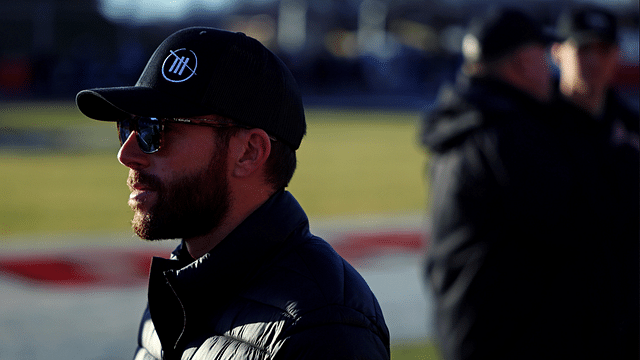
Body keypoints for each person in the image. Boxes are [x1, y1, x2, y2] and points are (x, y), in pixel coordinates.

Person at [76, 27, 390, 360]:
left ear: (249, 153)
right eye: (128, 126)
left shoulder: (324, 328)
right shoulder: (181, 286)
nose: (127, 154)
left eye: (155, 129)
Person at [420, 7, 638, 360]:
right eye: (542, 55)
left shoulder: (470, 121)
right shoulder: (508, 137)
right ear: (523, 62)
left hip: (473, 328)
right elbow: (582, 224)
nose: (547, 70)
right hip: (505, 336)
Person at [551, 5, 639, 147]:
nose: (594, 61)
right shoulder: (534, 124)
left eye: (604, 50)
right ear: (557, 52)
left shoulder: (631, 127)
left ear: (618, 55)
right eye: (584, 48)